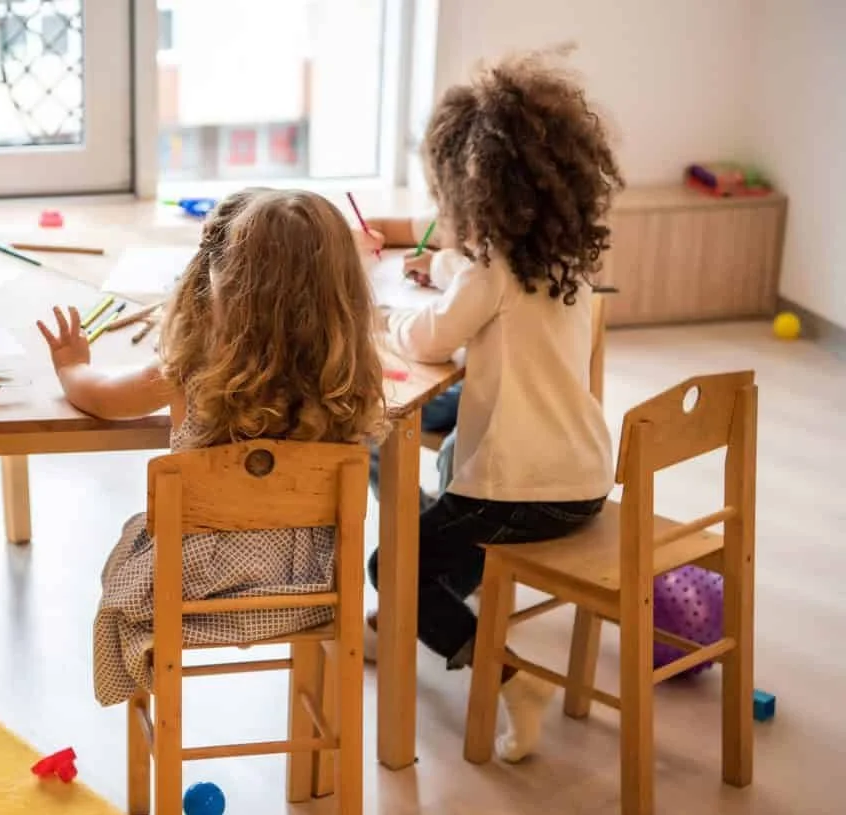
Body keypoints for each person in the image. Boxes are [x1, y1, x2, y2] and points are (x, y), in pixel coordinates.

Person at [37, 188, 388, 707]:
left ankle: (144, 704)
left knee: (128, 555)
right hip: (313, 594)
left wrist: (71, 364)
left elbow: (101, 398)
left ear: (222, 285)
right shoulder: (349, 381)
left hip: (195, 597)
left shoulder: (191, 372)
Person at [367, 51, 622, 761]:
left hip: (521, 490)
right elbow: (483, 287)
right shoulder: (565, 262)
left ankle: (507, 675)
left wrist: (377, 310)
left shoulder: (488, 273)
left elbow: (426, 340)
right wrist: (444, 268)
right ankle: (409, 618)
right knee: (451, 475)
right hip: (585, 482)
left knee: (393, 564)